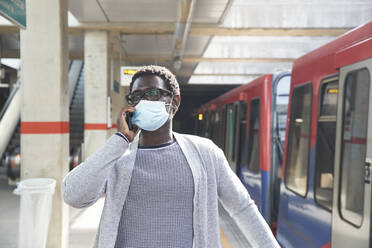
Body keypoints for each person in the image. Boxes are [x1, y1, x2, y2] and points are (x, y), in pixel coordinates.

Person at [62, 65, 280, 248]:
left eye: (153, 94)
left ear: (174, 101)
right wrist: (120, 140)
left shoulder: (206, 153)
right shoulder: (118, 156)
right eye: (137, 96)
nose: (144, 101)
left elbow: (242, 208)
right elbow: (73, 195)